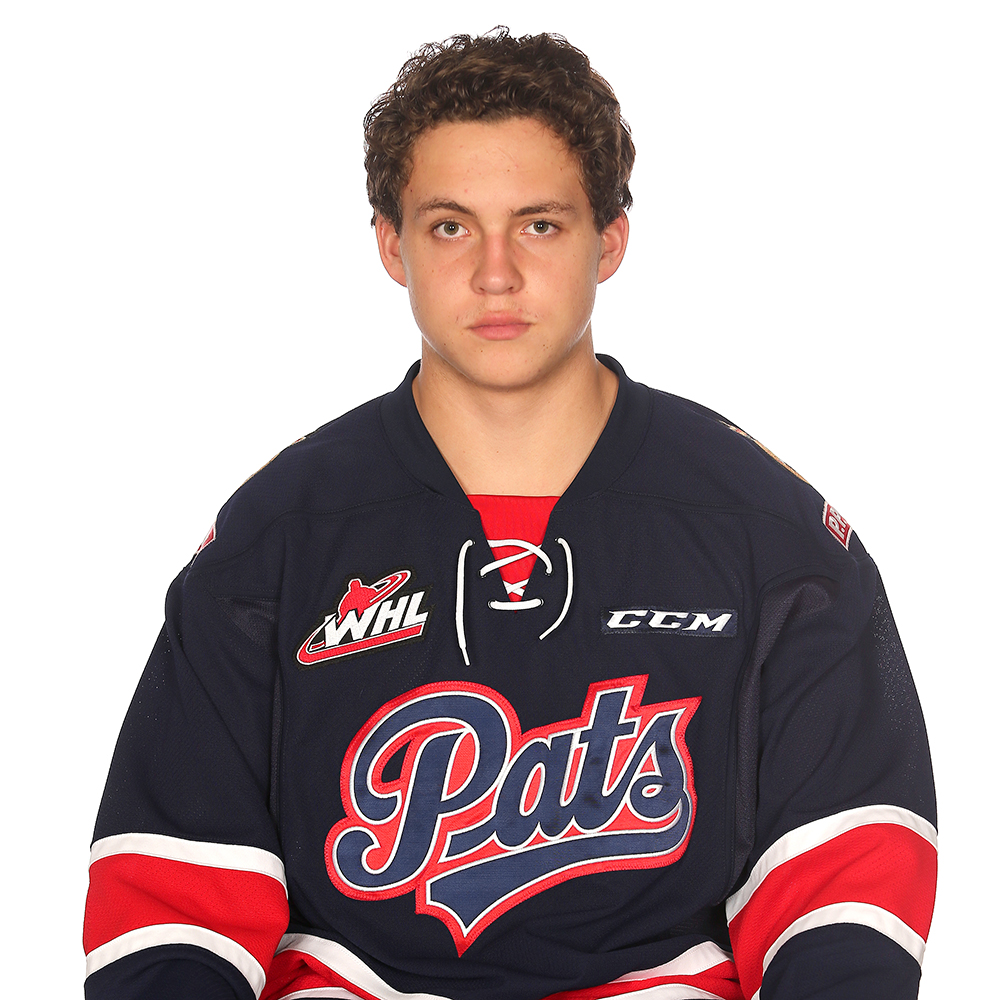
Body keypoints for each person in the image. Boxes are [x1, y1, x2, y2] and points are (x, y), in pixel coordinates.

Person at [83, 28, 937, 1000]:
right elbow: (171, 898)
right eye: (451, 226)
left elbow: (846, 888)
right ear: (391, 245)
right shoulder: (278, 536)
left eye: (539, 225)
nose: (496, 273)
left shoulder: (768, 533)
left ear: (609, 240)